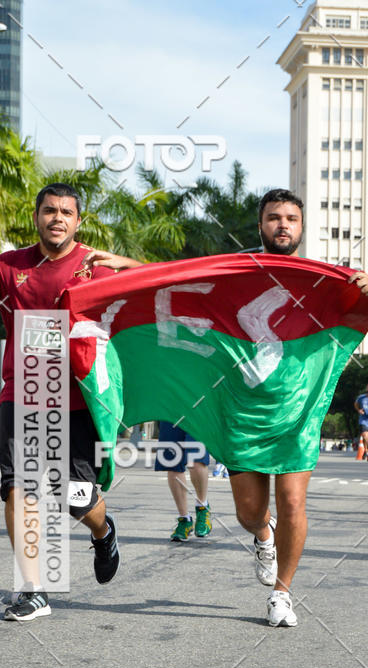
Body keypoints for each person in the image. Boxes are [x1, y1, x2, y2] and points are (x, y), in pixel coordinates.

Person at [228, 188, 368, 627]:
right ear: (260, 225)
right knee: (249, 513)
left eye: (290, 218)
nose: (282, 225)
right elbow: (176, 279)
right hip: (245, 407)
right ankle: (263, 538)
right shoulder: (238, 271)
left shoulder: (324, 277)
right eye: (273, 218)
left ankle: (282, 594)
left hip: (301, 407)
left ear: (301, 227)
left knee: (292, 502)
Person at [0, 183, 142, 621]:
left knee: (75, 499)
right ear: (36, 216)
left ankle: (103, 530)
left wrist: (127, 265)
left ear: (77, 221)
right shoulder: (8, 267)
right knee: (17, 484)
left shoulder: (94, 266)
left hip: (78, 400)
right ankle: (33, 589)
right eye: (48, 210)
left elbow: (165, 285)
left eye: (65, 212)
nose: (56, 218)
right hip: (18, 393)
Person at [154, 422, 212, 541]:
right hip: (170, 409)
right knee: (172, 464)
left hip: (197, 409)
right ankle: (184, 519)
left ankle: (202, 508)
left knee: (196, 459)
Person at [354, 383, 368, 461]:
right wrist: (359, 410)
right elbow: (356, 404)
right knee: (365, 436)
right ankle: (366, 450)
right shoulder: (361, 397)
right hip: (363, 420)